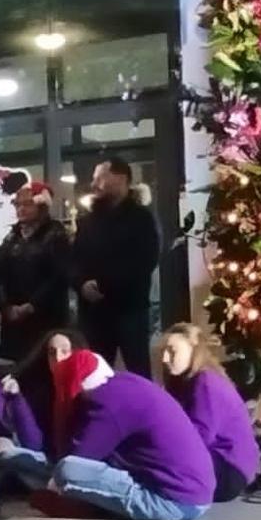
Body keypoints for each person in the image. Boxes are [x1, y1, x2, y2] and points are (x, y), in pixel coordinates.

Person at [8, 350, 215, 520]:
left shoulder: (106, 404)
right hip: (192, 494)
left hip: (173, 501)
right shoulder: (124, 384)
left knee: (67, 471)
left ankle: (80, 509)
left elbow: (78, 459)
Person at [72, 156, 162, 378]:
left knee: (138, 372)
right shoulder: (88, 221)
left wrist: (103, 284)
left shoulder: (141, 219)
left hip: (129, 310)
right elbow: (74, 260)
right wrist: (81, 284)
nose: (94, 185)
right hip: (93, 314)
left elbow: (144, 261)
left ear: (121, 178)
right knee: (93, 375)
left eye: (100, 178)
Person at [159, 324, 261, 502]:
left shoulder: (205, 382)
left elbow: (199, 436)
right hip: (226, 466)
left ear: (194, 348)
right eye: (163, 352)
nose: (165, 358)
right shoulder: (188, 382)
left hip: (229, 469)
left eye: (172, 351)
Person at [0, 181, 72, 367]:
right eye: (17, 204)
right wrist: (5, 306)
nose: (21, 209)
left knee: (45, 367)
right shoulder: (12, 236)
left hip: (46, 317)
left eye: (27, 204)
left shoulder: (55, 234)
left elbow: (59, 276)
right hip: (14, 320)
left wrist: (31, 305)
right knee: (15, 370)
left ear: (41, 205)